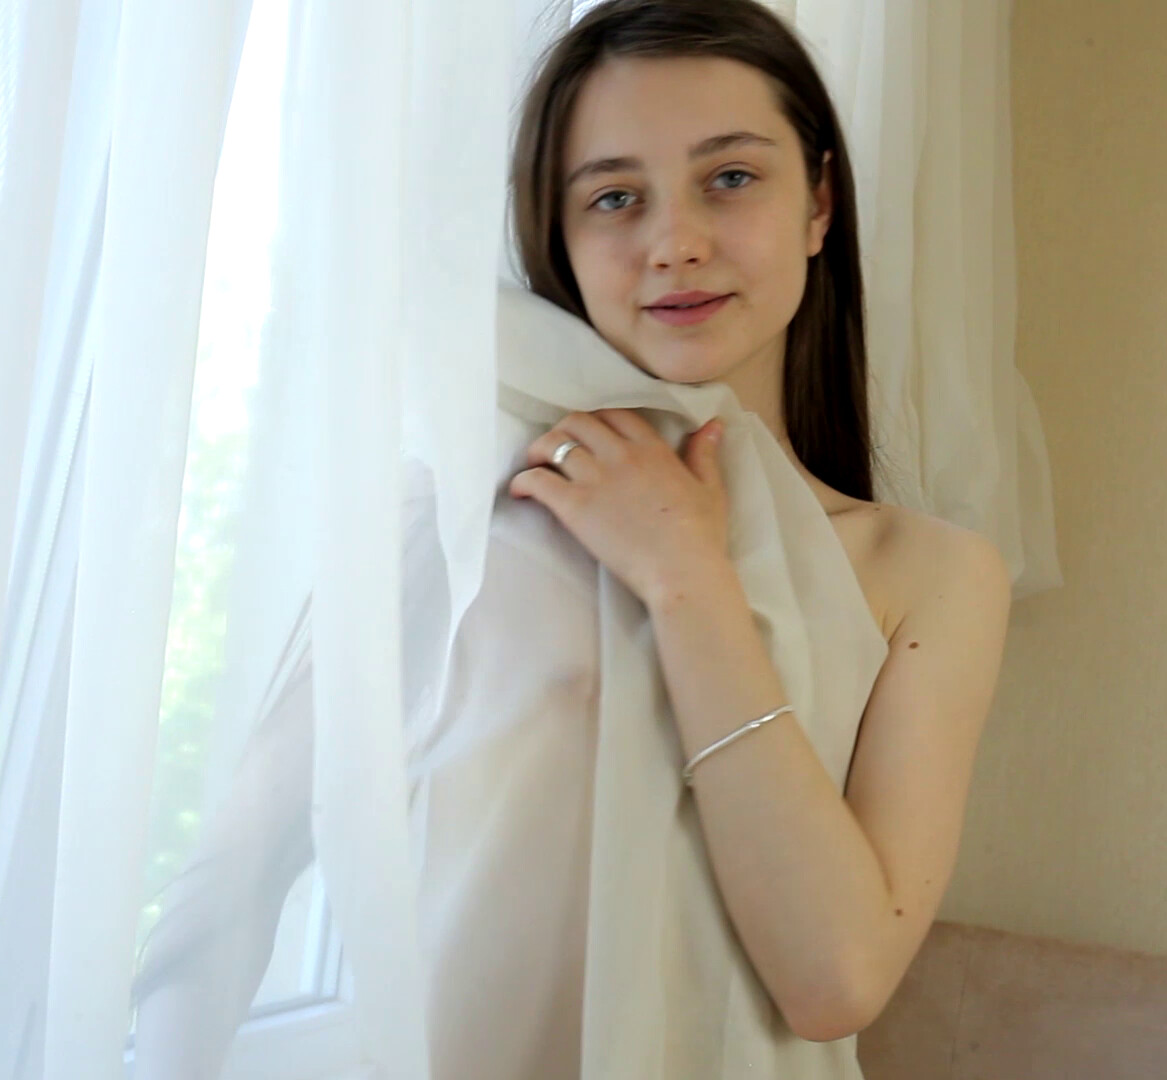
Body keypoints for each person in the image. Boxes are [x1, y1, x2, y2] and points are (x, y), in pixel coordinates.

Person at [131, 1, 1012, 1076]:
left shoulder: (930, 574)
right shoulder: (460, 518)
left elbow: (835, 980)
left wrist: (684, 578)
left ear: (819, 203)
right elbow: (222, 898)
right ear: (560, 236)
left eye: (731, 177)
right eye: (614, 197)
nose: (674, 243)